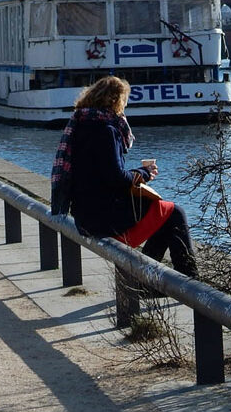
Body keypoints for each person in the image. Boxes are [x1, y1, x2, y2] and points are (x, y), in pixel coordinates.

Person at [50, 75, 199, 278]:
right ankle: (186, 280)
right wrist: (144, 173)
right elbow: (116, 178)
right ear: (115, 101)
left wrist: (137, 174)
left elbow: (100, 174)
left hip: (84, 214)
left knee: (163, 213)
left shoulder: (80, 124)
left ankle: (147, 280)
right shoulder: (106, 130)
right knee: (175, 213)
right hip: (103, 217)